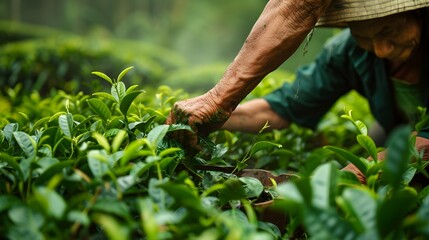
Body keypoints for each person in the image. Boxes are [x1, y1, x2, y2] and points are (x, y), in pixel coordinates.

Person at [166, 0, 429, 183]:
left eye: (390, 30)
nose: (381, 50)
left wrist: (350, 177)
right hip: (397, 128)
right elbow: (283, 108)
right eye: (364, 38)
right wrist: (209, 118)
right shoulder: (348, 52)